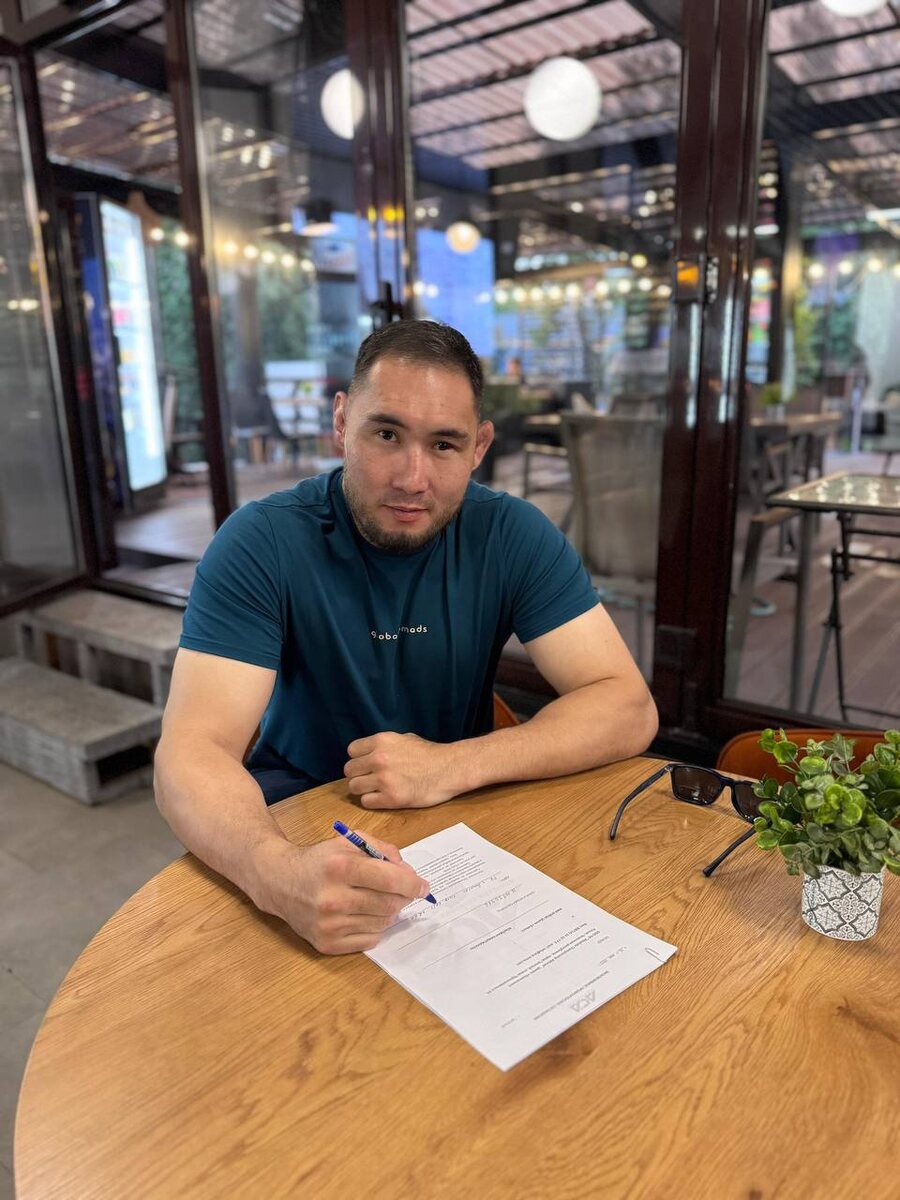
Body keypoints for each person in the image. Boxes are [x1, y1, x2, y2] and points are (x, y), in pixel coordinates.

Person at [154, 320, 657, 955]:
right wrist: (275, 874)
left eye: (444, 445)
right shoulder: (262, 541)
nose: (413, 479)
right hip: (295, 818)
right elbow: (189, 753)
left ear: (479, 447)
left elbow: (627, 706)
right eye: (387, 434)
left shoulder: (512, 535)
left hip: (464, 815)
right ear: (342, 422)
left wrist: (453, 764)